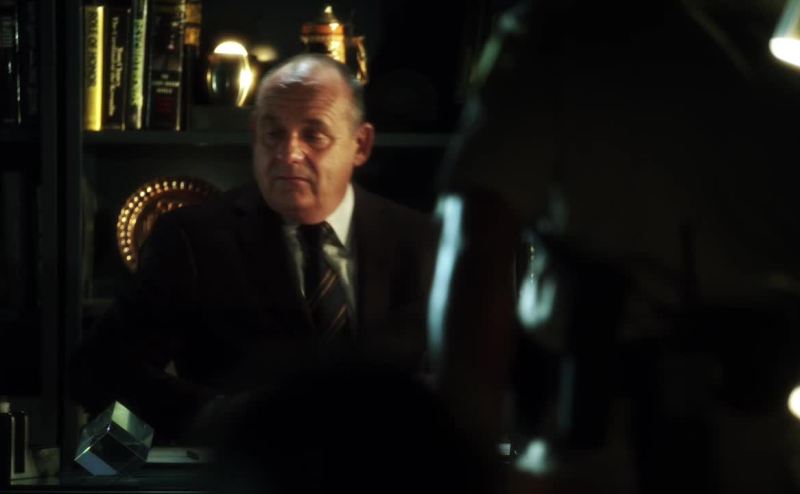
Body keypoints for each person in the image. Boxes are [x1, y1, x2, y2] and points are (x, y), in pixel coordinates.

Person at [428, 0, 800, 492]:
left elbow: (478, 252)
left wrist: (471, 455)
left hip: (604, 448)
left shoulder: (563, 30)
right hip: (762, 444)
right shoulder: (774, 37)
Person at [69, 54, 438, 443]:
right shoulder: (193, 238)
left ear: (360, 144)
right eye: (273, 134)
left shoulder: (421, 241)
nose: (288, 154)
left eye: (314, 135)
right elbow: (96, 372)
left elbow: (464, 377)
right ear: (254, 134)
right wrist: (218, 418)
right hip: (240, 466)